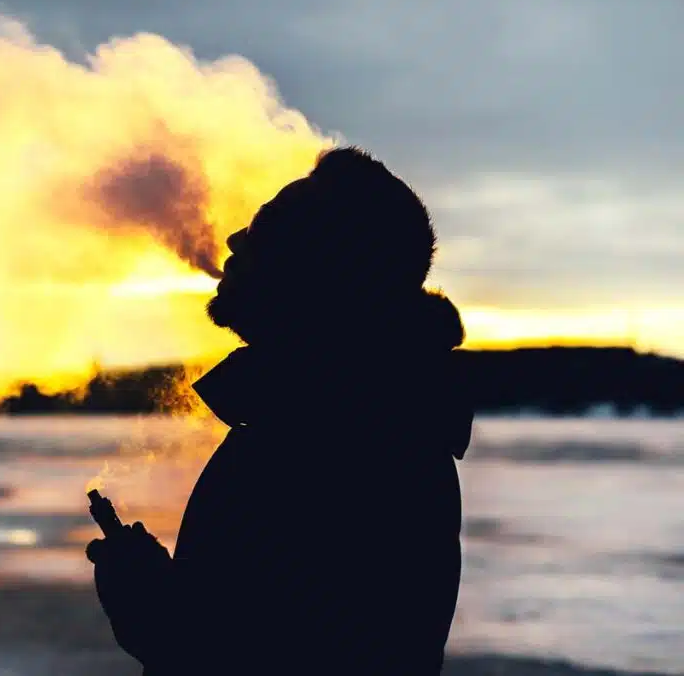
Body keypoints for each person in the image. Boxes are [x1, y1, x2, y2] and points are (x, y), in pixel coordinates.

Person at [86, 146, 474, 675]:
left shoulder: (339, 447)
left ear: (311, 275)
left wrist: (156, 616)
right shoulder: (338, 418)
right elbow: (267, 624)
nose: (233, 241)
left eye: (262, 232)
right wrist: (171, 597)